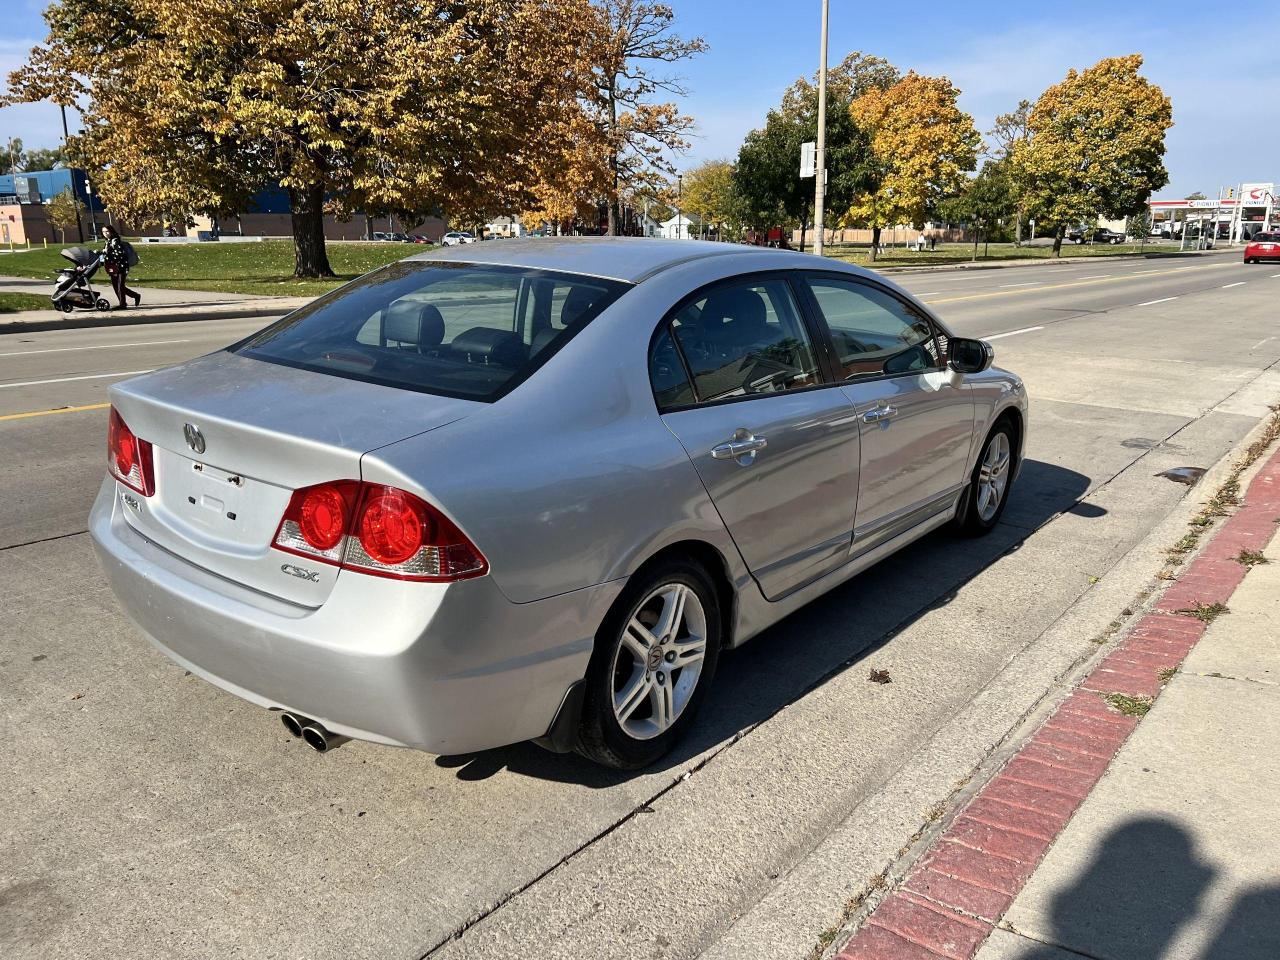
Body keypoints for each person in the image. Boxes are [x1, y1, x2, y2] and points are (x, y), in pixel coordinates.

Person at [100, 224, 141, 309]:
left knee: (120, 285)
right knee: (116, 286)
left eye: (107, 231)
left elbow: (119, 255)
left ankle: (122, 304)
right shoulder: (108, 241)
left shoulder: (115, 241)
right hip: (112, 266)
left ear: (111, 231)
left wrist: (107, 254)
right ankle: (135, 296)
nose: (105, 233)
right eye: (103, 232)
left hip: (121, 266)